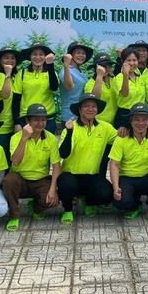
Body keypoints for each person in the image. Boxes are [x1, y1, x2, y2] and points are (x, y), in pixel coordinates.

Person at [57, 93, 117, 225]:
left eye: (93, 106)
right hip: (71, 174)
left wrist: (125, 130)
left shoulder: (105, 127)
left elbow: (120, 140)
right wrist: (69, 132)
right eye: (86, 106)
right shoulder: (71, 127)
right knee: (66, 185)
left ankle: (88, 202)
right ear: (79, 109)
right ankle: (68, 209)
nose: (90, 109)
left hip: (92, 175)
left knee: (106, 194)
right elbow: (63, 154)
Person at [2, 103, 61, 231]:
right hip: (20, 179)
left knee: (52, 200)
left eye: (43, 120)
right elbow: (16, 161)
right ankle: (14, 216)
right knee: (8, 181)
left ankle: (36, 207)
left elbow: (56, 165)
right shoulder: (16, 138)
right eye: (36, 120)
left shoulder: (50, 138)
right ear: (27, 121)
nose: (40, 123)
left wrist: (53, 189)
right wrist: (24, 139)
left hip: (40, 179)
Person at [14, 42, 59, 134]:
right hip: (27, 118)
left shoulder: (51, 72)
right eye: (34, 54)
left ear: (45, 56)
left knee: (47, 143)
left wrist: (50, 65)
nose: (38, 57)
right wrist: (17, 123)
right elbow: (16, 100)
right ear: (30, 56)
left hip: (47, 117)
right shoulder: (22, 73)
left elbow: (54, 87)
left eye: (41, 54)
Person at [0, 46, 23, 164]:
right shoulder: (0, 76)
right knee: (2, 161)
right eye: (6, 58)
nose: (10, 61)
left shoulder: (17, 77)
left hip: (14, 124)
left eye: (12, 58)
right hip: (2, 127)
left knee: (13, 160)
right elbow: (5, 94)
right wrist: (7, 74)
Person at [113, 47, 148, 130]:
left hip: (140, 115)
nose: (132, 63)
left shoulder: (140, 78)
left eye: (134, 60)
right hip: (124, 115)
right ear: (123, 62)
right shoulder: (119, 77)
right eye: (128, 60)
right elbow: (125, 93)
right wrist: (126, 74)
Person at [59, 41, 93, 126]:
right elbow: (69, 87)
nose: (81, 55)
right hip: (70, 117)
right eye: (78, 53)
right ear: (70, 55)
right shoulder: (65, 70)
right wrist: (66, 65)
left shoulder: (82, 74)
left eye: (83, 53)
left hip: (82, 117)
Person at [84, 52, 118, 125]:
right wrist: (99, 75)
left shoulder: (114, 80)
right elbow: (94, 99)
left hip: (115, 122)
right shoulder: (90, 83)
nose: (104, 68)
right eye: (101, 66)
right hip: (98, 122)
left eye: (107, 66)